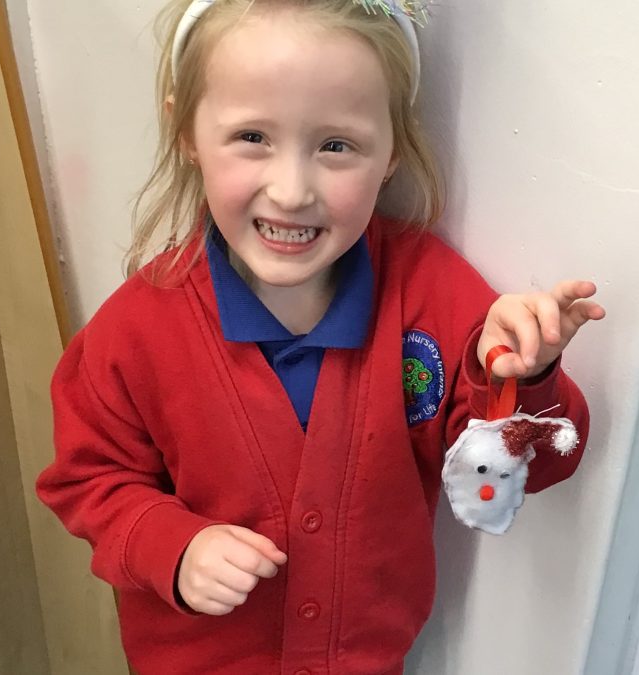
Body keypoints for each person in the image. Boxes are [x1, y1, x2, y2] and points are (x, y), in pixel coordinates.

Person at [36, 1, 606, 672]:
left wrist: (524, 376)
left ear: (391, 152)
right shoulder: (135, 331)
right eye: (252, 136)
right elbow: (89, 479)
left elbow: (524, 472)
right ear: (186, 131)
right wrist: (172, 546)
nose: (291, 190)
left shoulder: (434, 296)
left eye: (336, 146)